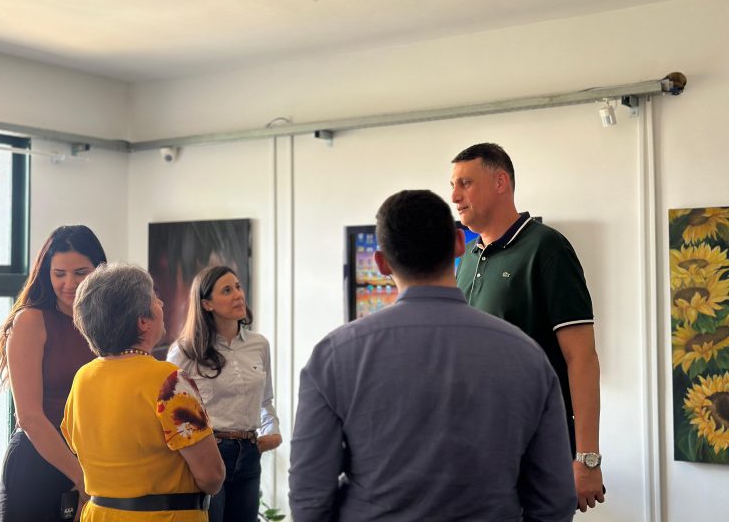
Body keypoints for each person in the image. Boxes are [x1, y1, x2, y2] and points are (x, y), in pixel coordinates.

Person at [289, 189, 576, 522]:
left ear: (381, 263)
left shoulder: (333, 357)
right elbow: (555, 500)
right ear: (459, 243)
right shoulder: (528, 357)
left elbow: (309, 500)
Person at [451, 142, 605, 511]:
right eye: (453, 185)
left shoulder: (547, 248)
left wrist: (587, 459)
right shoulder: (468, 258)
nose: (454, 196)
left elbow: (582, 357)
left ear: (500, 182)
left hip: (536, 451)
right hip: (476, 450)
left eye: (465, 183)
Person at [61, 262, 225, 521]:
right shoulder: (169, 381)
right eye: (154, 299)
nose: (161, 303)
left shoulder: (83, 377)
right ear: (143, 322)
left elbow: (75, 444)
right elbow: (212, 477)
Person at [0, 225, 107, 521]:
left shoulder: (107, 325)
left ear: (99, 271)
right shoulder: (31, 320)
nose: (70, 283)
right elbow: (29, 418)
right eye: (59, 274)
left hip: (92, 463)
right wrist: (83, 480)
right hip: (39, 462)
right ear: (46, 274)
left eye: (80, 273)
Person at [168, 265, 282, 522]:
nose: (238, 295)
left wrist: (272, 432)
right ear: (206, 304)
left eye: (238, 287)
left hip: (250, 452)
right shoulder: (184, 351)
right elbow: (169, 413)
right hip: (208, 453)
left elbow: (265, 400)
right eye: (227, 290)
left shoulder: (259, 344)